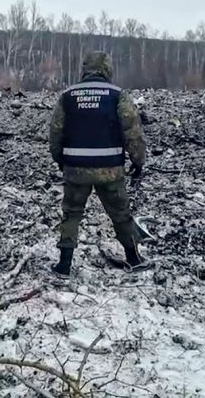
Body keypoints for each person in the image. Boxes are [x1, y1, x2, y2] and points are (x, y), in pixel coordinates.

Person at [48, 51, 148, 276]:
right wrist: (138, 160)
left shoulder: (68, 96)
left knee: (71, 213)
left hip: (75, 169)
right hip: (110, 169)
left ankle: (64, 265)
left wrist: (59, 159)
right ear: (107, 69)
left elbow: (56, 131)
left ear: (84, 69)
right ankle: (133, 258)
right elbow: (132, 131)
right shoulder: (117, 95)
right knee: (121, 214)